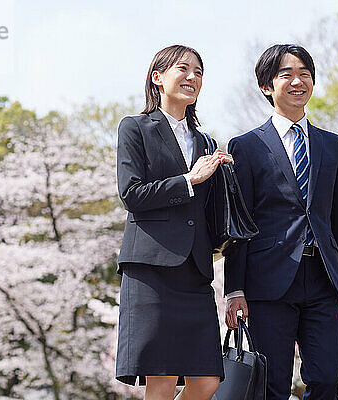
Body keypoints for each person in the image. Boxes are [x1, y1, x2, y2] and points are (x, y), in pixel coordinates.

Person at [224, 44, 338, 399]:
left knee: (328, 378)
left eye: (305, 74)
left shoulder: (332, 145)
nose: (298, 82)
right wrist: (234, 289)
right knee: (271, 383)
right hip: (267, 281)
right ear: (267, 85)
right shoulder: (246, 146)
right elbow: (239, 222)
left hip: (324, 280)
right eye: (287, 74)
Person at [115, 44, 232, 400]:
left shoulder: (206, 141)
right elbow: (131, 194)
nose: (193, 78)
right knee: (162, 380)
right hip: (151, 268)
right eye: (184, 69)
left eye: (199, 73)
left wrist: (226, 179)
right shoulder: (135, 128)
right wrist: (188, 180)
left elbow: (209, 208)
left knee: (208, 379)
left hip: (194, 271)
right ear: (157, 77)